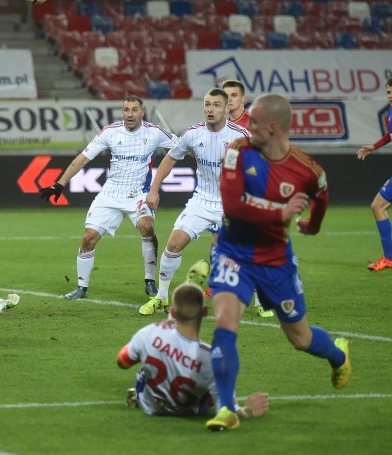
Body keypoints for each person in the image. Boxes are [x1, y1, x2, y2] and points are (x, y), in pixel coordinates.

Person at [206, 93, 350, 432]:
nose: (245, 126)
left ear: (272, 127)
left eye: (252, 122)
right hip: (234, 252)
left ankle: (338, 356)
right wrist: (279, 212)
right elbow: (233, 206)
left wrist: (311, 227)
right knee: (225, 322)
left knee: (299, 338)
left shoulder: (307, 170)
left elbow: (322, 197)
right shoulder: (237, 151)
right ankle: (227, 408)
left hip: (275, 262)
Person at [39, 95, 178, 300]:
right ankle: (81, 288)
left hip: (138, 193)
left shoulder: (155, 132)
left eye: (134, 110)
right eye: (126, 110)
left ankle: (150, 281)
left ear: (142, 112)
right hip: (110, 193)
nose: (129, 114)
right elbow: (82, 159)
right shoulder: (110, 132)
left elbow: (183, 146)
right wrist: (60, 183)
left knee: (146, 226)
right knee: (88, 238)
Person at [140, 89, 250, 315]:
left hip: (232, 205)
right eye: (207, 104)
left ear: (227, 108)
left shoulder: (241, 136)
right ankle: (161, 297)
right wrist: (153, 190)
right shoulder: (192, 134)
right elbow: (170, 158)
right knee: (173, 244)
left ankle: (260, 302)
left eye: (216, 105)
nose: (211, 109)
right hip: (201, 201)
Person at [118, 282, 270, 423]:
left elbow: (123, 361)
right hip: (190, 411)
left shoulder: (149, 333)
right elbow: (230, 413)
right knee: (216, 383)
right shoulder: (213, 358)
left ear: (172, 312)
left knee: (146, 360)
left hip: (152, 406)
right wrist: (249, 410)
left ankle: (140, 394)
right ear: (205, 312)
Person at [219, 80, 273, 317]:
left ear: (243, 99)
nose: (228, 99)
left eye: (233, 95)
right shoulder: (219, 123)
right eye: (225, 95)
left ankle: (261, 300)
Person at [356, 76, 392, 271]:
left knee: (378, 206)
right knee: (378, 206)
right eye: (388, 92)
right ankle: (389, 257)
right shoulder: (391, 110)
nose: (390, 96)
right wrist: (374, 147)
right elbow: (390, 135)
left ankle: (389, 257)